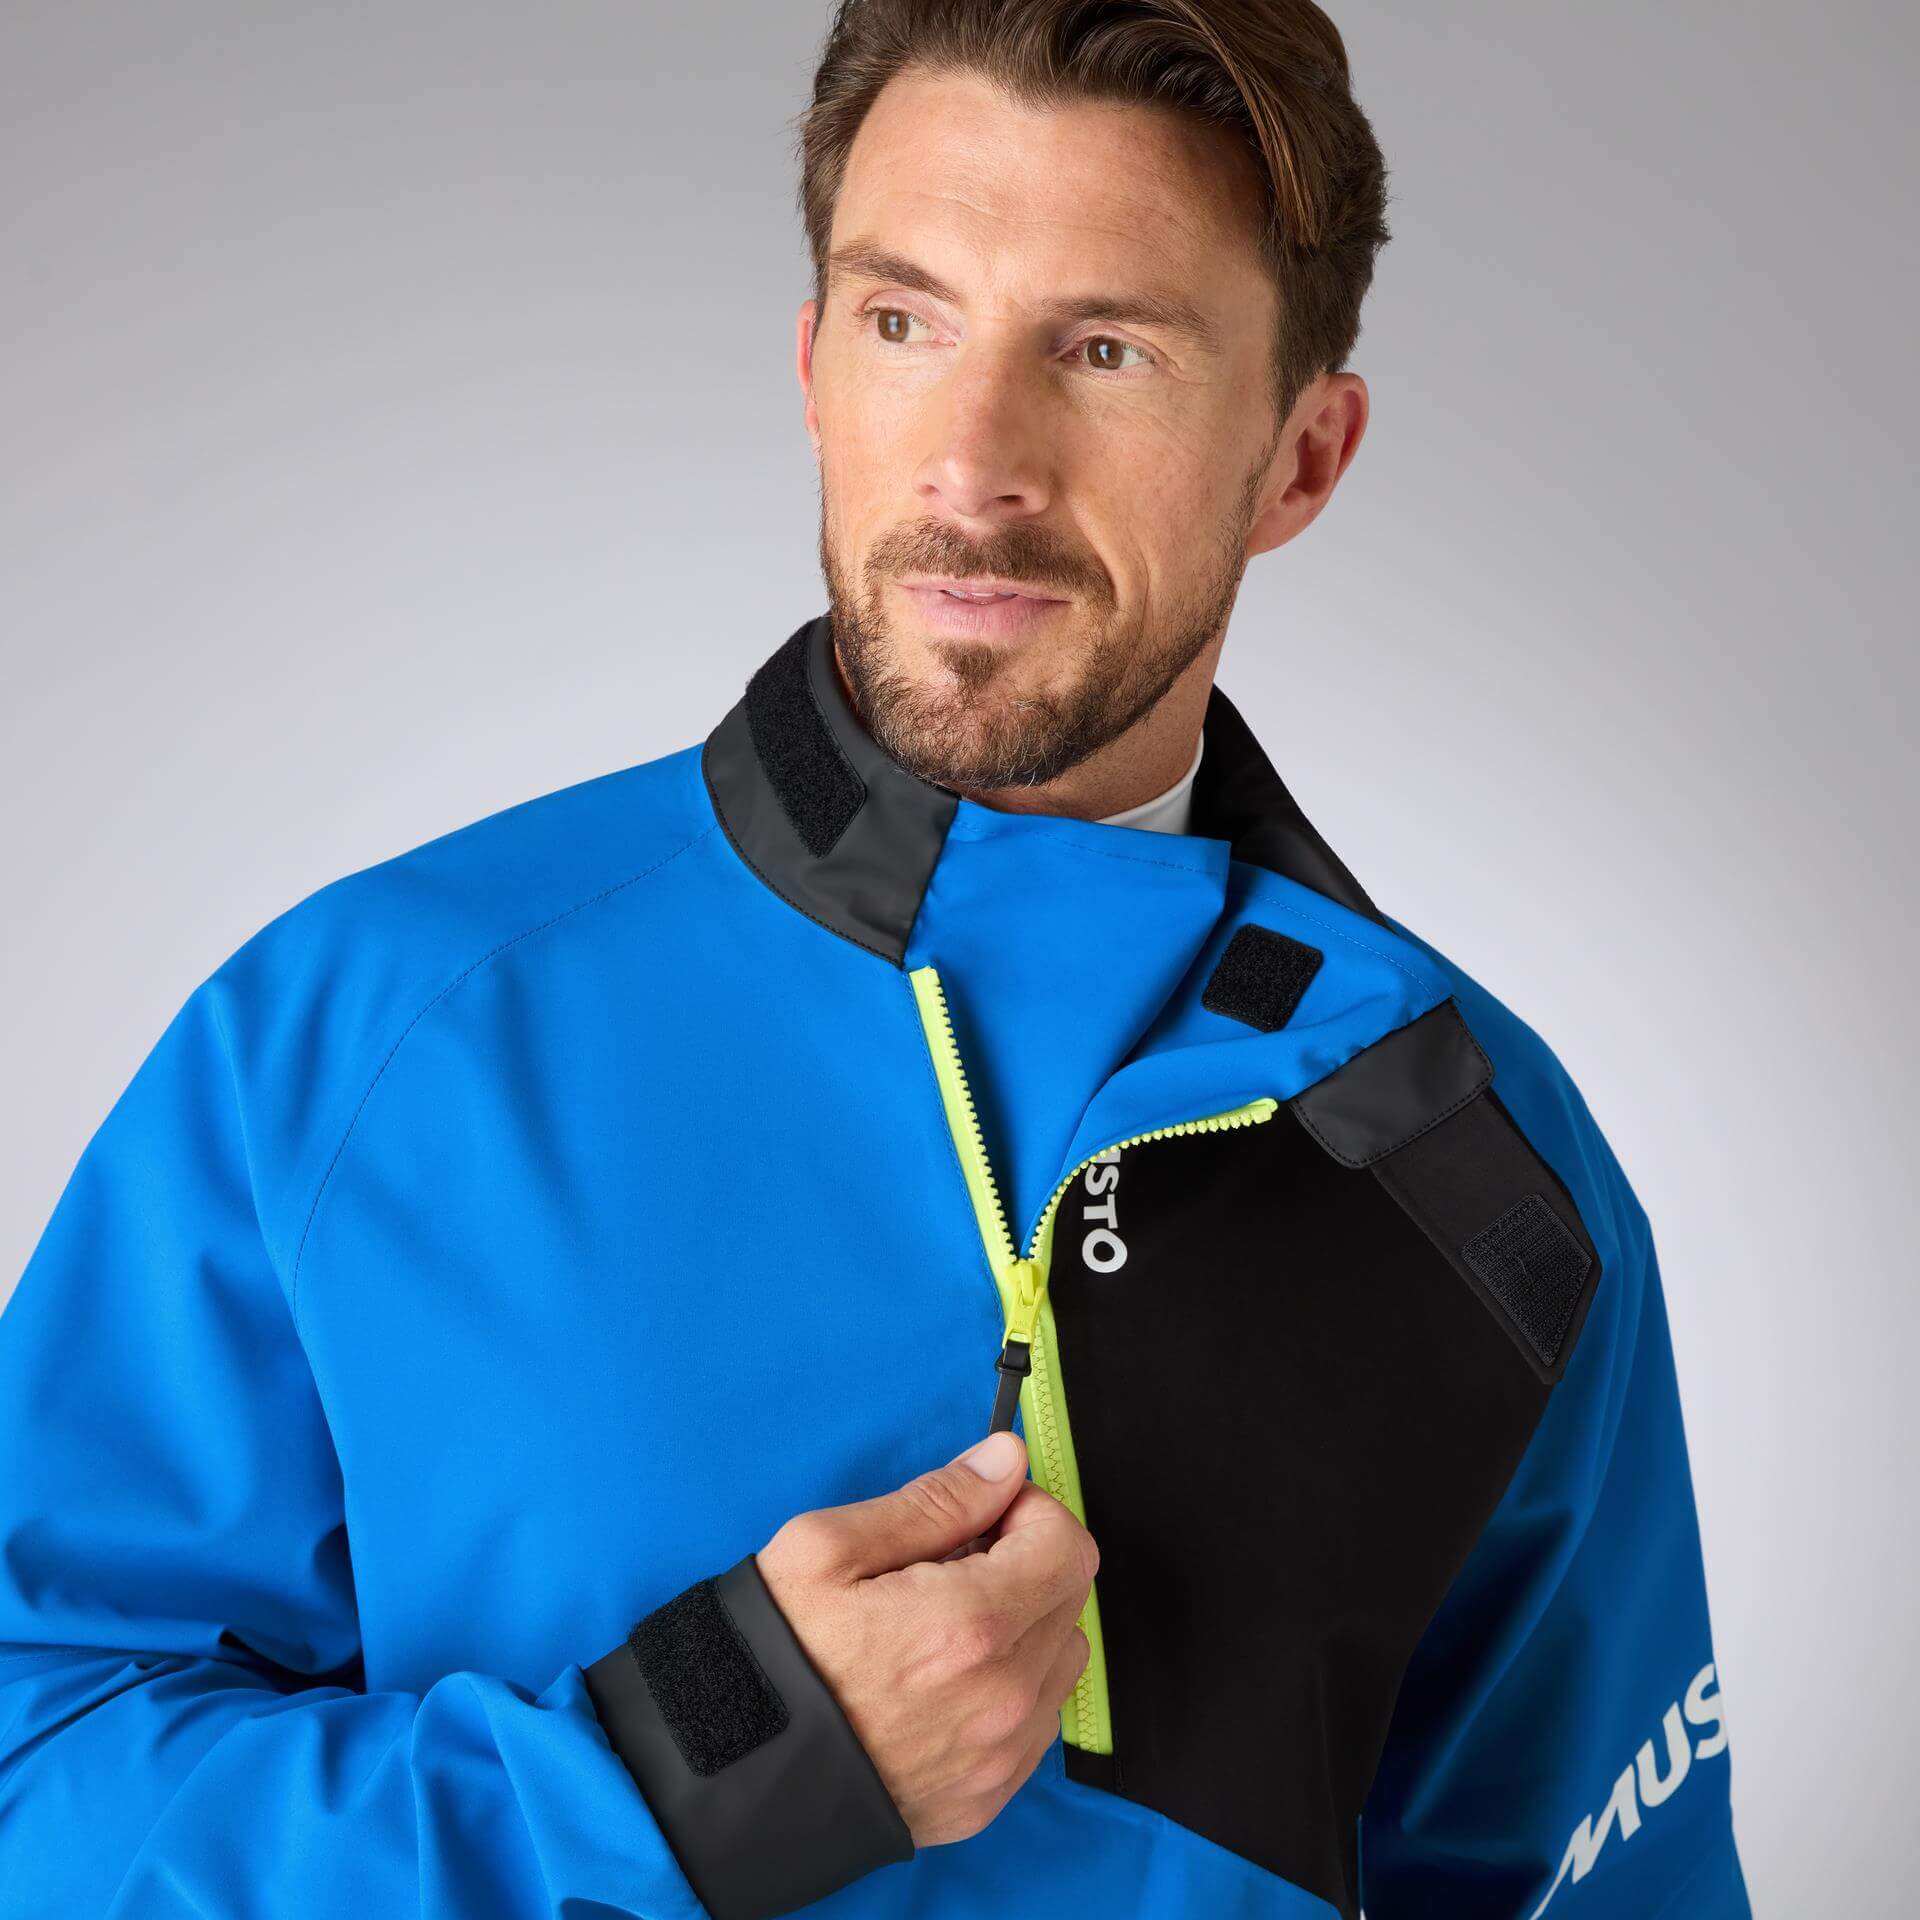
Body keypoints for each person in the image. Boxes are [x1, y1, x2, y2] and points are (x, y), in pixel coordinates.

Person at [0, 1, 1751, 1916]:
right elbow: (34, 1774)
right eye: (908, 321)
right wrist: (699, 1773)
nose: (976, 462)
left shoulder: (1475, 1168)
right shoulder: (365, 1035)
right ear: (817, 368)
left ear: (1299, 458)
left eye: (1105, 350)